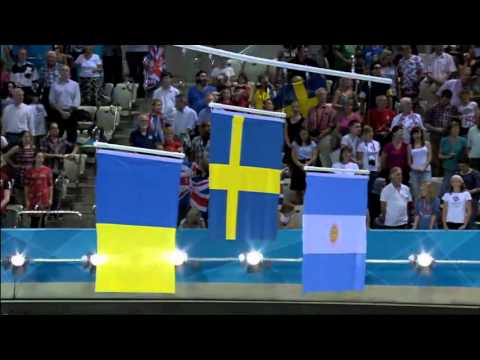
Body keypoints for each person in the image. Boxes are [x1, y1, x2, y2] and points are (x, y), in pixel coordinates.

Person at [424, 89, 459, 176]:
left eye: (448, 100)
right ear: (441, 98)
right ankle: (436, 177)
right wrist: (436, 129)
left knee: (446, 157)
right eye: (444, 99)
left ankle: (446, 176)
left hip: (447, 136)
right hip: (435, 136)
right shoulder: (433, 108)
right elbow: (426, 123)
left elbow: (456, 120)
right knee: (435, 159)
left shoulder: (453, 108)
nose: (445, 101)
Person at [48, 65, 81, 143]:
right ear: (59, 72)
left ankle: (71, 153)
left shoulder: (75, 85)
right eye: (63, 70)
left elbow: (77, 100)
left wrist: (69, 112)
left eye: (67, 70)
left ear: (69, 73)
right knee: (57, 135)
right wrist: (61, 112)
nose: (65, 72)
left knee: (72, 136)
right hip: (58, 112)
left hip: (71, 112)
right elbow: (51, 101)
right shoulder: (54, 85)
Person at [419, 45, 457, 111]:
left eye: (441, 46)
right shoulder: (428, 58)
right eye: (438, 46)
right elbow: (427, 73)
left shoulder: (449, 57)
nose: (440, 47)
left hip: (444, 85)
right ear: (434, 47)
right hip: (431, 85)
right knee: (432, 107)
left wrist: (443, 81)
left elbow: (450, 72)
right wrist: (437, 81)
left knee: (444, 106)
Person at [306, 88, 337, 167]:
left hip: (325, 135)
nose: (321, 97)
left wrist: (321, 136)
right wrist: (311, 137)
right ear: (316, 97)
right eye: (319, 95)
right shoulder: (311, 110)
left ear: (326, 96)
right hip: (312, 136)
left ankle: (326, 169)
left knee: (325, 144)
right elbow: (307, 125)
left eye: (323, 95)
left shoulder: (331, 110)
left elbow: (331, 126)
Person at [24, 152, 53, 228]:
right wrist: (27, 200)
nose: (40, 159)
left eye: (41, 157)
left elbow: (50, 185)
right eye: (38, 157)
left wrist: (50, 198)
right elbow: (26, 186)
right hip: (33, 197)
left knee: (43, 220)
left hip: (44, 197)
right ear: (35, 158)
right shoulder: (29, 171)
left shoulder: (48, 170)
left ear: (43, 159)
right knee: (34, 221)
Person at [439, 119, 467, 195]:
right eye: (454, 128)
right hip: (448, 168)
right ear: (450, 129)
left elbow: (466, 154)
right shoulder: (444, 140)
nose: (456, 130)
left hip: (460, 168)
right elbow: (440, 155)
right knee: (445, 187)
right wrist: (448, 156)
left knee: (460, 187)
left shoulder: (463, 140)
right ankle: (441, 202)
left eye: (457, 128)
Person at [290, 128, 318, 204]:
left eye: (305, 134)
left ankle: (307, 201)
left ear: (308, 134)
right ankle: (298, 201)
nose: (303, 136)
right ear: (299, 134)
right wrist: (300, 164)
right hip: (298, 164)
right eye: (302, 134)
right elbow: (293, 156)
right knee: (298, 185)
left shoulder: (312, 143)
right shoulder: (295, 143)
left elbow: (314, 155)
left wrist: (308, 164)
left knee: (308, 184)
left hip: (309, 163)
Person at [407, 127, 432, 200]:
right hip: (415, 171)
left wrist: (424, 167)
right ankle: (417, 209)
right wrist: (415, 168)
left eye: (418, 133)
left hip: (426, 170)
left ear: (421, 134)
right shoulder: (410, 146)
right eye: (414, 133)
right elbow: (409, 161)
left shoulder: (427, 144)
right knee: (416, 191)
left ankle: (426, 209)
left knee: (426, 190)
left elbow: (429, 157)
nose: (416, 135)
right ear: (412, 135)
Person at [357, 125, 381, 194]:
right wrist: (360, 171)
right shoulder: (361, 145)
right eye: (368, 133)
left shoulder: (376, 143)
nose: (371, 134)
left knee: (373, 190)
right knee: (366, 190)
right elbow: (359, 158)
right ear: (364, 134)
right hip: (365, 170)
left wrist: (379, 164)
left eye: (371, 132)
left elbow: (378, 155)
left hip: (374, 170)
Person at [457, 157, 480, 228]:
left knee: (470, 221)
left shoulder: (475, 174)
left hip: (473, 200)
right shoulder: (457, 174)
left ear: (468, 165)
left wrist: (469, 192)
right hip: (460, 201)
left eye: (463, 166)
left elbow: (479, 188)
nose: (461, 168)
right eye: (460, 166)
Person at [284, 101, 305, 165]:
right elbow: (285, 132)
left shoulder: (303, 120)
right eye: (293, 107)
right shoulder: (287, 120)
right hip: (289, 145)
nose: (295, 109)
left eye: (296, 107)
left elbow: (304, 134)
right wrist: (288, 143)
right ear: (291, 108)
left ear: (299, 108)